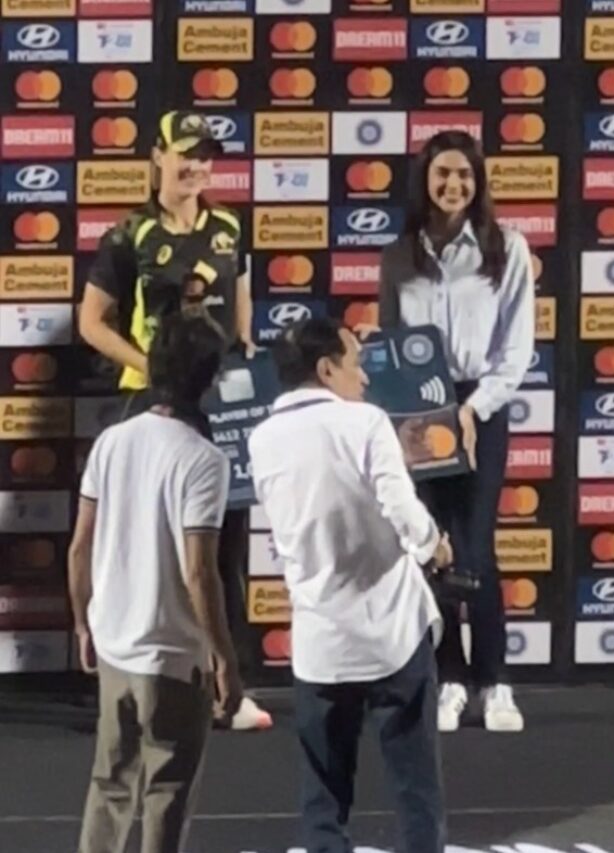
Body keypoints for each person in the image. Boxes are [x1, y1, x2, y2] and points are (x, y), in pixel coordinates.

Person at [78, 109, 270, 731]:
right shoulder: (129, 234)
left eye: (206, 156)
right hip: (151, 399)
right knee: (155, 546)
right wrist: (152, 368)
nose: (196, 166)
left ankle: (227, 689)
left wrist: (248, 360)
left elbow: (241, 309)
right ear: (157, 156)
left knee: (225, 547)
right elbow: (91, 322)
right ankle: (142, 682)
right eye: (185, 153)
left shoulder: (227, 227)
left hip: (222, 401)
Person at [248, 318, 452, 853]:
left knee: (324, 802)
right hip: (393, 636)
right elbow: (400, 507)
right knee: (416, 794)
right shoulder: (365, 422)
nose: (364, 378)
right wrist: (435, 544)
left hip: (321, 644)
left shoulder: (262, 439)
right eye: (357, 363)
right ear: (326, 369)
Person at [361, 131, 535, 733]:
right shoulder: (398, 255)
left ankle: (495, 680)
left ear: (478, 181)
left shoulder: (506, 248)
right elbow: (385, 345)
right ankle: (450, 677)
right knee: (430, 544)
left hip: (478, 410)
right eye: (442, 175)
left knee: (476, 545)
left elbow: (516, 351)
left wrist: (475, 407)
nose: (453, 185)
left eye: (463, 174)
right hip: (416, 411)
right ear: (425, 181)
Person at [68, 310, 243, 853]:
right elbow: (199, 572)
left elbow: (80, 547)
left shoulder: (112, 442)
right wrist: (225, 658)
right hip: (173, 658)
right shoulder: (206, 460)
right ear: (210, 381)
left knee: (109, 784)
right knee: (167, 791)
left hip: (116, 646)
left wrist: (81, 623)